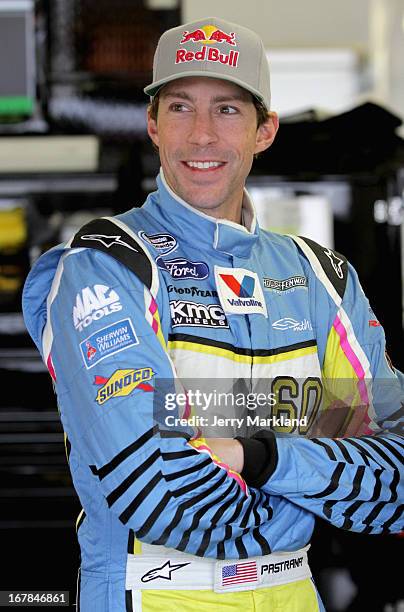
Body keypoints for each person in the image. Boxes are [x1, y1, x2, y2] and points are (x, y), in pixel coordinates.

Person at [22, 16, 403, 612]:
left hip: (295, 595)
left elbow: (400, 478)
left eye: (227, 109)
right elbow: (159, 491)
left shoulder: (322, 278)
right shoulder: (106, 265)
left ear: (265, 129)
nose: (201, 135)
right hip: (152, 595)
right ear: (152, 125)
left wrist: (260, 455)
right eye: (180, 108)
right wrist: (317, 474)